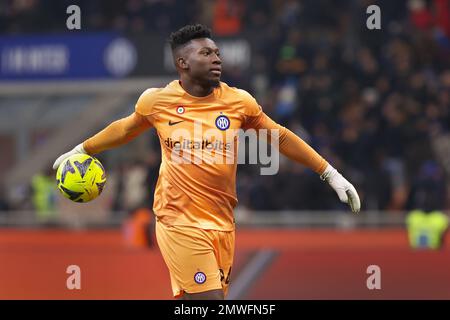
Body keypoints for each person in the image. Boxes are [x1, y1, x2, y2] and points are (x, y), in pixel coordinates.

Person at [53, 24, 360, 300]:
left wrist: (329, 173)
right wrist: (83, 148)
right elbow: (125, 128)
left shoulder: (239, 101)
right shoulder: (156, 101)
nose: (217, 58)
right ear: (182, 63)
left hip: (223, 224)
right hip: (178, 221)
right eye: (206, 53)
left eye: (216, 52)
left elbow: (279, 137)